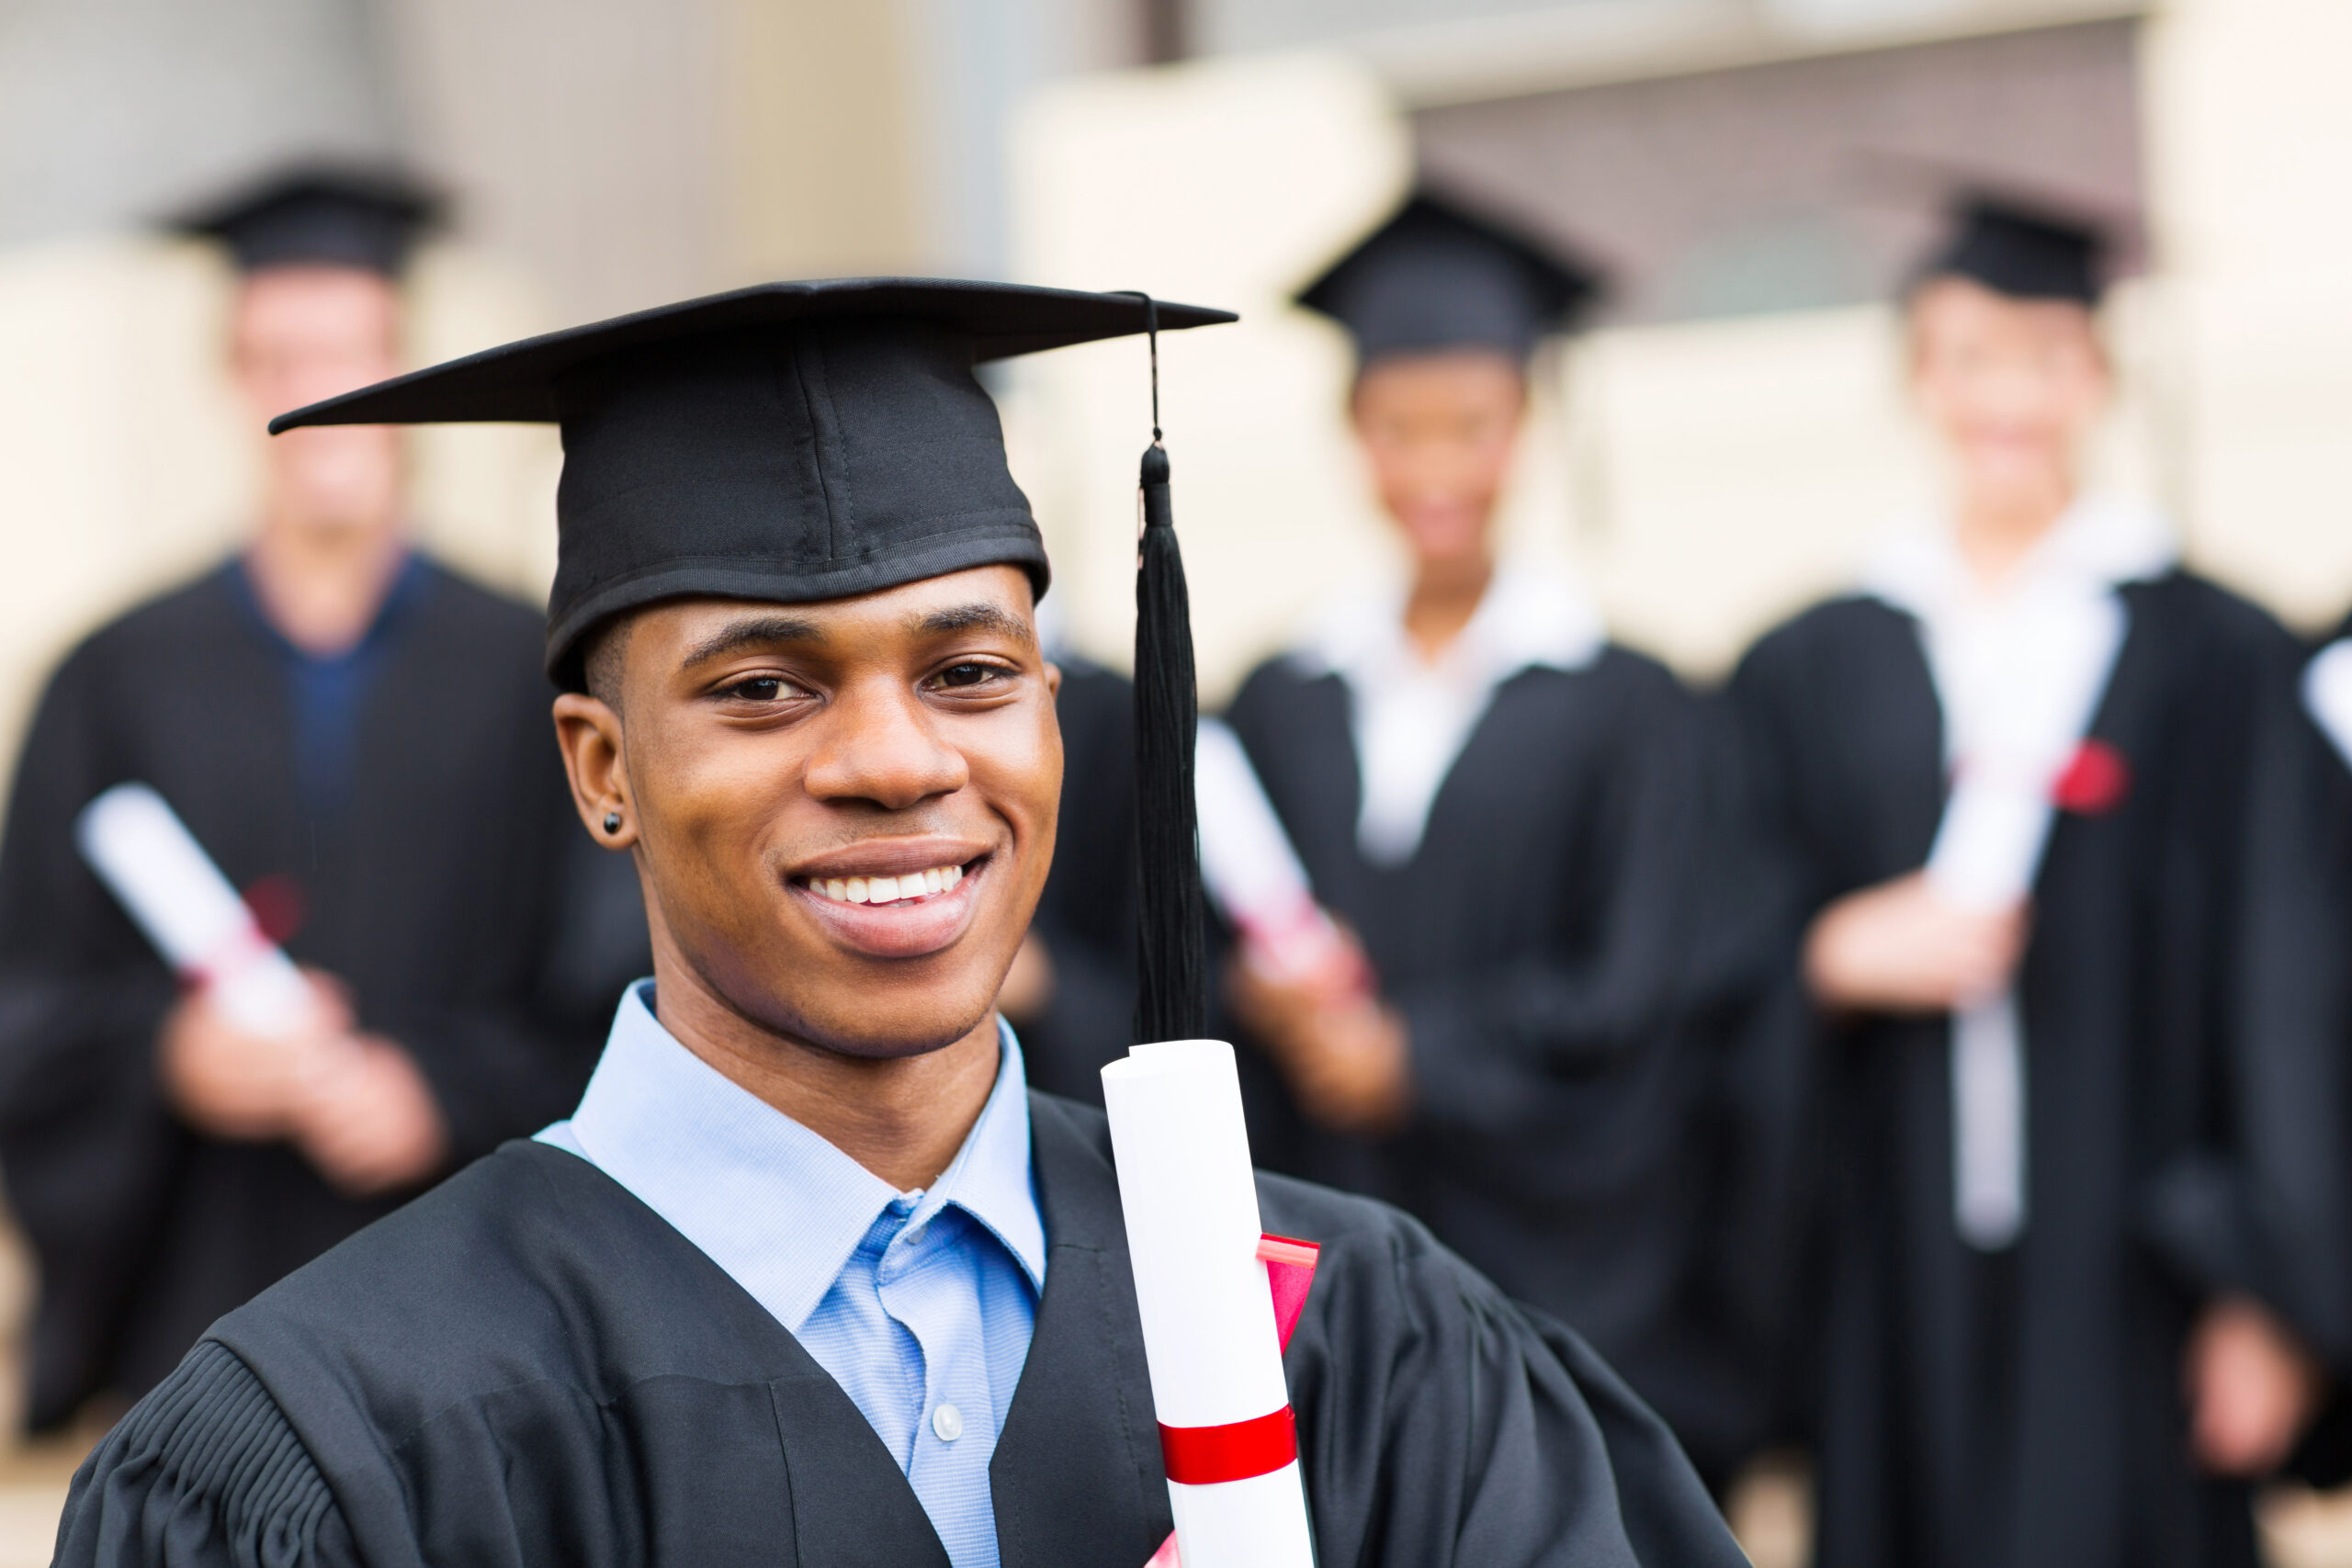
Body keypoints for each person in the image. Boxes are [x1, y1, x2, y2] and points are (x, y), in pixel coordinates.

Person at [52, 277, 1744, 1567]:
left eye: (973, 673)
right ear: (600, 769)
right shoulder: (350, 1440)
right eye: (768, 687)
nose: (894, 760)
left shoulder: (1358, 1338)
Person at [1726, 196, 2350, 1567]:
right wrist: (1829, 958)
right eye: (1966, 356)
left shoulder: (2220, 655)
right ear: (1914, 378)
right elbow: (1712, 955)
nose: (2005, 394)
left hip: (2141, 1273)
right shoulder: (1809, 663)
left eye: (2044, 354)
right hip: (1890, 1273)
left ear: (2099, 375)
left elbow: (2292, 986)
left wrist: (2272, 1294)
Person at [0, 167, 646, 1431]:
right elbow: (24, 1000)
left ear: (405, 371)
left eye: (352, 350)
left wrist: (442, 1090)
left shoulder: (545, 669)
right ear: (232, 377)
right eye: (282, 354)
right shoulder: (114, 675)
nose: (322, 392)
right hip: (200, 1330)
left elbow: (632, 991)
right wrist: (166, 1058)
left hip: (487, 1321)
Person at [1216, 190, 1748, 1480]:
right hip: (1325, 1278)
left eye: (1474, 425)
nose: (1437, 469)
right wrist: (1265, 999)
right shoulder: (1281, 696)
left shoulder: (1629, 702)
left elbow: (1642, 996)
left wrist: (1419, 1059)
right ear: (1354, 432)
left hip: (1559, 1285)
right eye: (1402, 428)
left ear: (1529, 425)